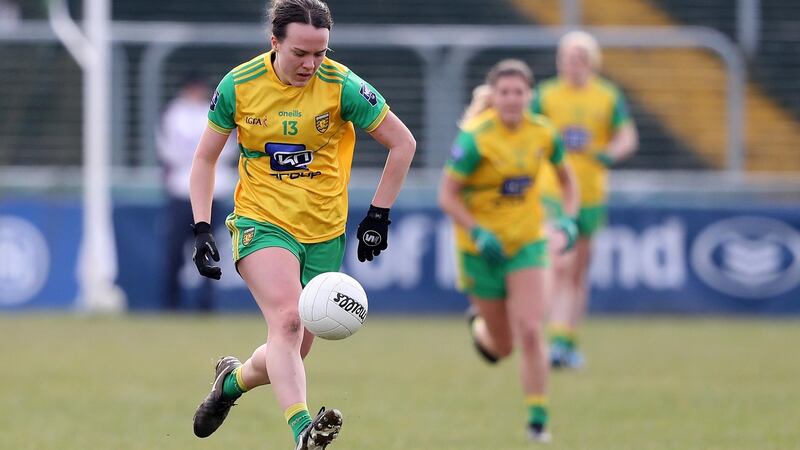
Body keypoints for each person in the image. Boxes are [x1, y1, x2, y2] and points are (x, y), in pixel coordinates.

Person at [188, 0, 416, 448]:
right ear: (274, 42)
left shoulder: (342, 85)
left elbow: (403, 143)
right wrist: (200, 227)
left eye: (321, 53)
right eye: (300, 53)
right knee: (289, 321)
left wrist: (379, 214)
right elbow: (204, 158)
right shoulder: (239, 85)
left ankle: (230, 383)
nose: (311, 64)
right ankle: (303, 433)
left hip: (324, 231)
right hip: (261, 220)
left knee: (291, 348)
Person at [438, 59, 578, 443]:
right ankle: (480, 327)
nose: (513, 99)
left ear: (530, 96)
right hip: (480, 250)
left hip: (526, 243)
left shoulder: (543, 134)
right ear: (494, 97)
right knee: (502, 347)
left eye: (519, 92)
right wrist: (478, 231)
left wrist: (567, 220)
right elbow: (447, 196)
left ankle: (538, 420)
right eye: (505, 92)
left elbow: (568, 183)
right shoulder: (474, 138)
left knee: (532, 330)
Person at [531, 31, 638, 368]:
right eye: (567, 58)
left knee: (577, 270)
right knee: (559, 262)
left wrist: (610, 153)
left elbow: (627, 136)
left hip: (590, 193)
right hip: (553, 192)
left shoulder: (607, 97)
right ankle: (549, 337)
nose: (572, 65)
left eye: (580, 59)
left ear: (592, 62)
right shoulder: (545, 96)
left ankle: (566, 341)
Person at [158, 74, 237, 312]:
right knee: (175, 249)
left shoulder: (213, 109)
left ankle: (207, 303)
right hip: (182, 190)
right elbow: (169, 150)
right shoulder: (174, 114)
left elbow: (228, 148)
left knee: (211, 248)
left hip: (214, 189)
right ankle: (171, 304)